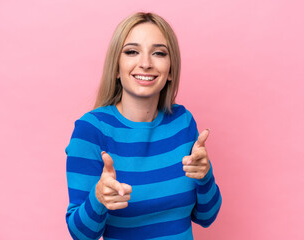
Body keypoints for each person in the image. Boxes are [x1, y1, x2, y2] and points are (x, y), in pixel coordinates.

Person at [65, 12, 222, 240]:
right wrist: (98, 198)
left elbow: (207, 217)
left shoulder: (183, 122)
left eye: (159, 53)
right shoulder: (91, 130)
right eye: (131, 51)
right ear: (117, 68)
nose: (146, 63)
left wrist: (204, 176)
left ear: (170, 70)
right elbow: (80, 235)